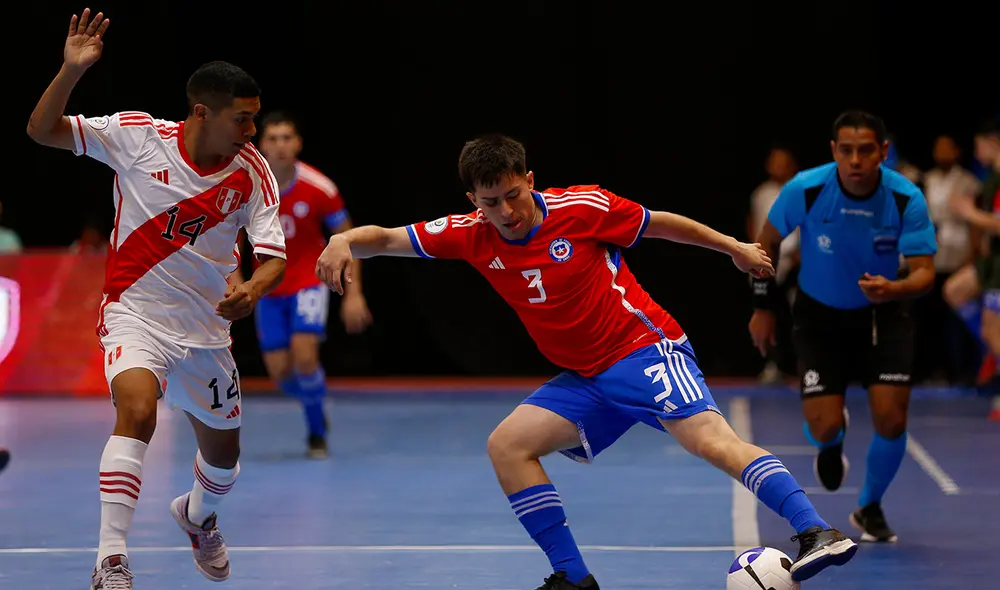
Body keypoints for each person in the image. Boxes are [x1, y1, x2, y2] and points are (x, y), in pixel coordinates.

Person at [315, 134, 857, 589]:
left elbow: (661, 223)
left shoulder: (582, 208)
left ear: (529, 179)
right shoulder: (472, 234)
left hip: (642, 349)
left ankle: (816, 531)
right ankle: (572, 576)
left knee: (710, 443)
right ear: (472, 199)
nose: (505, 212)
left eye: (511, 195)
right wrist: (342, 239)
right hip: (586, 377)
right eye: (490, 203)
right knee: (507, 445)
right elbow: (385, 238)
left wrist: (733, 247)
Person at [26, 9, 286, 589]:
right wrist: (70, 71)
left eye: (254, 119)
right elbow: (42, 131)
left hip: (207, 332)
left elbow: (273, 259)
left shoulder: (253, 173)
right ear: (202, 112)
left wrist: (252, 291)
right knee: (137, 412)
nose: (251, 131)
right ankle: (110, 559)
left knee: (223, 460)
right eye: (242, 120)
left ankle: (197, 517)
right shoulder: (139, 137)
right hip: (134, 315)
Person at [749, 111, 938, 544]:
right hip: (820, 317)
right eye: (846, 150)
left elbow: (925, 273)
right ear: (834, 151)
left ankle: (869, 507)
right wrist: (763, 306)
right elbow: (764, 244)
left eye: (866, 150)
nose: (855, 160)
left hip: (883, 313)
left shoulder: (906, 197)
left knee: (891, 418)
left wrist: (894, 288)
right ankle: (830, 443)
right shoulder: (807, 188)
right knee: (824, 426)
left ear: (883, 152)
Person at [231, 111, 372, 458]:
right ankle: (315, 401)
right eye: (273, 138)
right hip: (267, 286)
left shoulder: (320, 188)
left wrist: (354, 294)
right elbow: (229, 236)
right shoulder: (247, 185)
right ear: (261, 144)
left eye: (286, 138)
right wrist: (236, 280)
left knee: (306, 357)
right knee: (280, 372)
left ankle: (316, 433)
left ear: (298, 144)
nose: (280, 146)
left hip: (309, 281)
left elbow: (348, 240)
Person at [945, 117, 1000, 416]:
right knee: (954, 290)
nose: (975, 150)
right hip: (991, 260)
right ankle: (993, 349)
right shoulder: (991, 176)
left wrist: (968, 213)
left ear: (993, 143)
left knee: (994, 331)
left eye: (979, 144)